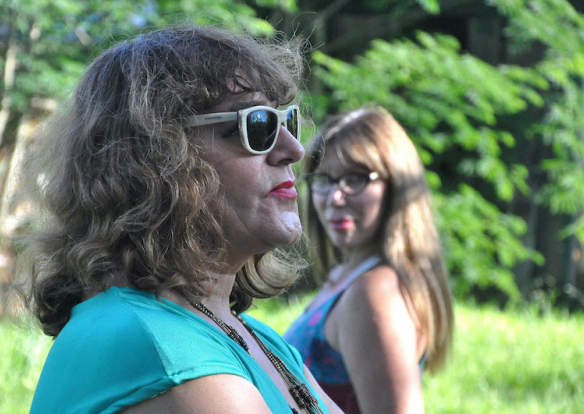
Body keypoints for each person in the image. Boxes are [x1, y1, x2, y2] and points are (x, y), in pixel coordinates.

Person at [17, 25, 343, 414]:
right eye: (258, 124)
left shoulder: (259, 341)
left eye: (287, 121)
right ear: (156, 159)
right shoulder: (160, 346)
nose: (294, 149)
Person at [283, 107, 454, 414]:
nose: (335, 197)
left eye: (355, 179)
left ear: (395, 186)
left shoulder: (376, 292)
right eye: (324, 179)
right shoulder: (349, 275)